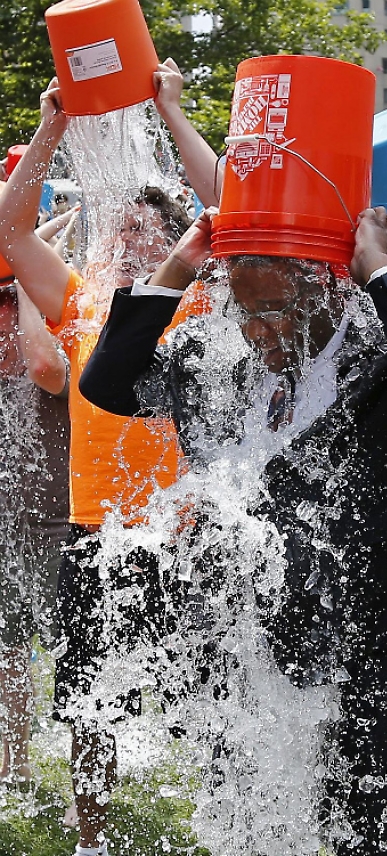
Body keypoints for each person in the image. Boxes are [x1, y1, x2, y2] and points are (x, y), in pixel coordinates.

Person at [78, 205, 387, 856]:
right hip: (256, 648)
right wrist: (179, 266)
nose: (259, 331)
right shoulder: (214, 358)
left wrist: (379, 266)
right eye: (245, 311)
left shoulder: (385, 348)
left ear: (326, 285)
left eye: (276, 309)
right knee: (258, 829)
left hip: (385, 644)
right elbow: (108, 382)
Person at [0, 71, 219, 856]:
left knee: (207, 698)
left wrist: (170, 109)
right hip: (96, 531)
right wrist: (51, 129)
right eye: (115, 231)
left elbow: (236, 208)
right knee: (90, 706)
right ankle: (92, 842)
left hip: (190, 532)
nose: (123, 240)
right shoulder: (85, 303)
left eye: (141, 231)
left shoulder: (202, 302)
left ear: (173, 243)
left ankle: (219, 826)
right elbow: (12, 232)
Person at [0, 280, 69, 788]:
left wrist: (26, 282)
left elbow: (46, 370)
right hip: (7, 521)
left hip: (60, 524)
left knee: (72, 656)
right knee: (6, 647)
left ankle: (82, 781)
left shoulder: (52, 336)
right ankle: (15, 758)